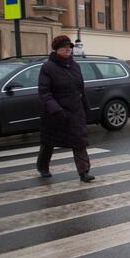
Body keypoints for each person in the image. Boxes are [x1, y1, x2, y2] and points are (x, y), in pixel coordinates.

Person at [37, 35, 95, 182]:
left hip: (75, 111)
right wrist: (56, 110)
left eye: (69, 47)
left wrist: (86, 107)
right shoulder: (48, 67)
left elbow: (80, 88)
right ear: (56, 50)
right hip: (55, 113)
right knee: (48, 143)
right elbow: (44, 92)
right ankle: (43, 167)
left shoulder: (75, 65)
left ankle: (84, 172)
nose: (68, 49)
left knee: (79, 141)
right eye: (64, 47)